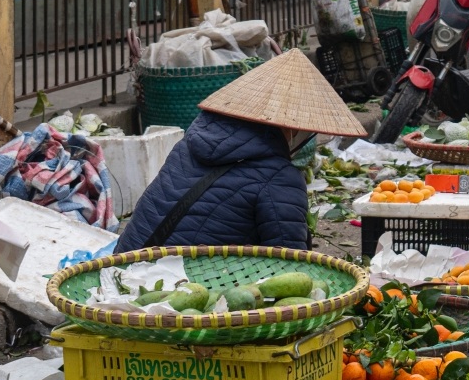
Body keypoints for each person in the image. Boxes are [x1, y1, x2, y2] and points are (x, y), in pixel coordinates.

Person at [114, 49, 365, 252]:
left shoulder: (187, 147)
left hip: (119, 271)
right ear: (290, 128)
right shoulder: (280, 177)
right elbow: (291, 266)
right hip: (175, 293)